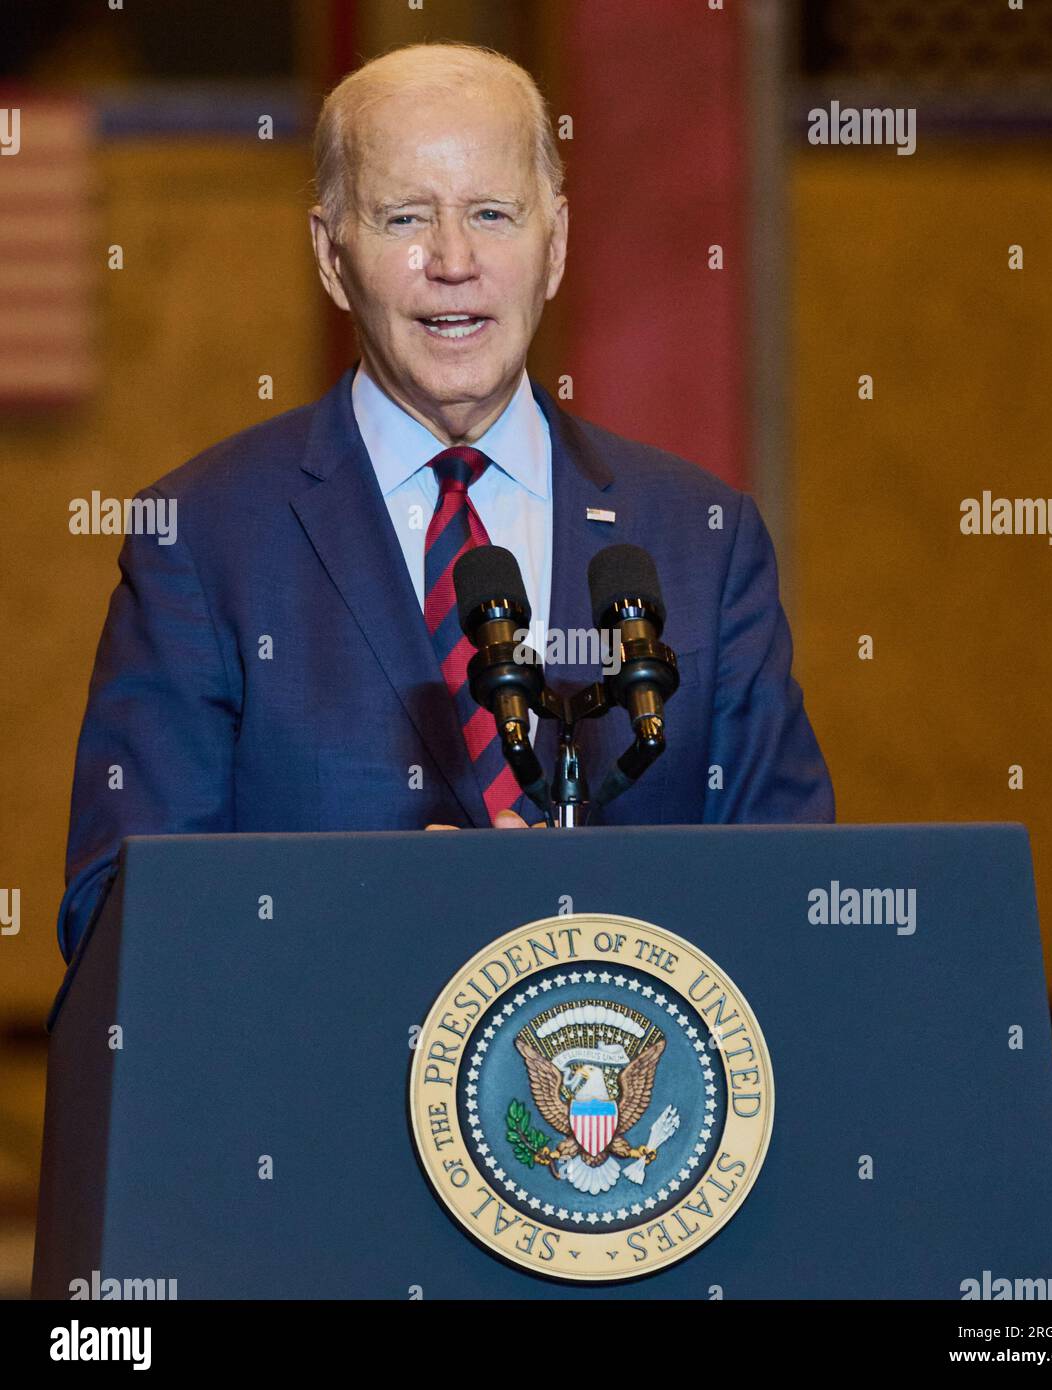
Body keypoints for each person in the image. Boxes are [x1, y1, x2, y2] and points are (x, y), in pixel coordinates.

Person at [57, 42, 834, 962]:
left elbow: (800, 910)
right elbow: (115, 919)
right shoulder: (202, 544)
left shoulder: (705, 542)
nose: (454, 261)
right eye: (405, 218)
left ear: (556, 246)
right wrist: (384, 914)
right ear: (331, 254)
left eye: (494, 214)